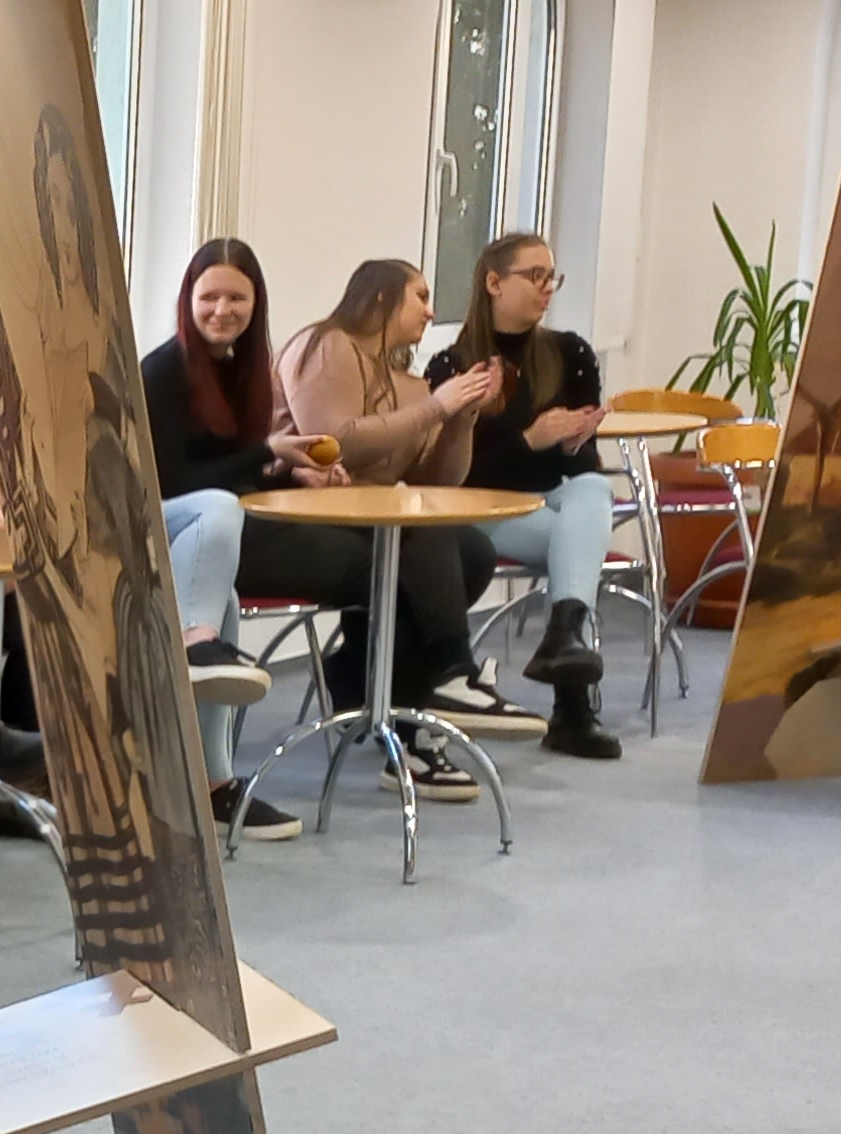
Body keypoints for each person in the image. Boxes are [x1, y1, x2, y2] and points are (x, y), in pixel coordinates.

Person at [142, 237, 392, 840]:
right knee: (220, 510)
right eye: (209, 297)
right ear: (188, 299)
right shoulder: (163, 369)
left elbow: (229, 468)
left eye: (236, 298)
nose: (221, 310)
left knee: (224, 600)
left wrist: (288, 471)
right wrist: (265, 452)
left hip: (205, 530)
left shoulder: (244, 369)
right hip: (149, 523)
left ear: (257, 303)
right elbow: (167, 481)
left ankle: (214, 784)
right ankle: (197, 644)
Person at [274, 257, 527, 786]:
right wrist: (435, 408)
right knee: (414, 541)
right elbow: (332, 442)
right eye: (421, 297)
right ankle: (446, 681)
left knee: (472, 552)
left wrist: (461, 417)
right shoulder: (326, 345)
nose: (431, 313)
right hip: (299, 518)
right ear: (382, 298)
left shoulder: (409, 383)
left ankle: (374, 683)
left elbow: (436, 479)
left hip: (368, 522)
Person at [427, 231, 625, 758]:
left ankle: (563, 635)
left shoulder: (570, 353)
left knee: (591, 487)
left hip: (557, 501)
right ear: (494, 283)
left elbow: (579, 464)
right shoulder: (452, 367)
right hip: (484, 513)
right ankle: (572, 707)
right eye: (535, 276)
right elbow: (455, 478)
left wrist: (575, 441)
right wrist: (529, 441)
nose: (547, 288)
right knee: (578, 539)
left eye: (552, 277)